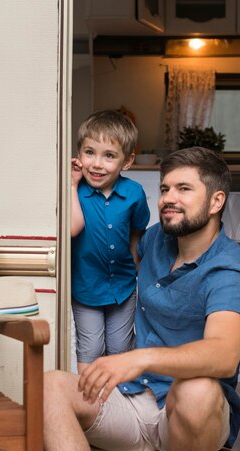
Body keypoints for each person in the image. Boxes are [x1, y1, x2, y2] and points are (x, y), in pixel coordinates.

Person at [45, 146, 240, 451]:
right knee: (48, 387)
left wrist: (137, 358)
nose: (168, 198)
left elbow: (223, 355)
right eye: (164, 188)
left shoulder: (229, 271)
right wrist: (76, 181)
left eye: (184, 188)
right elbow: (102, 241)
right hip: (133, 403)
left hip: (184, 419)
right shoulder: (155, 242)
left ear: (216, 201)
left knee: (199, 388)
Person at [71, 110, 150, 374]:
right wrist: (70, 185)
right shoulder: (74, 191)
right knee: (90, 348)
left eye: (109, 156)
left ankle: (119, 408)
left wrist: (135, 265)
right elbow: (73, 228)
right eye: (89, 152)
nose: (96, 164)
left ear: (126, 162)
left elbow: (137, 231)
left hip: (123, 287)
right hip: (85, 288)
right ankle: (88, 409)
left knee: (119, 350)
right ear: (79, 153)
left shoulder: (134, 194)